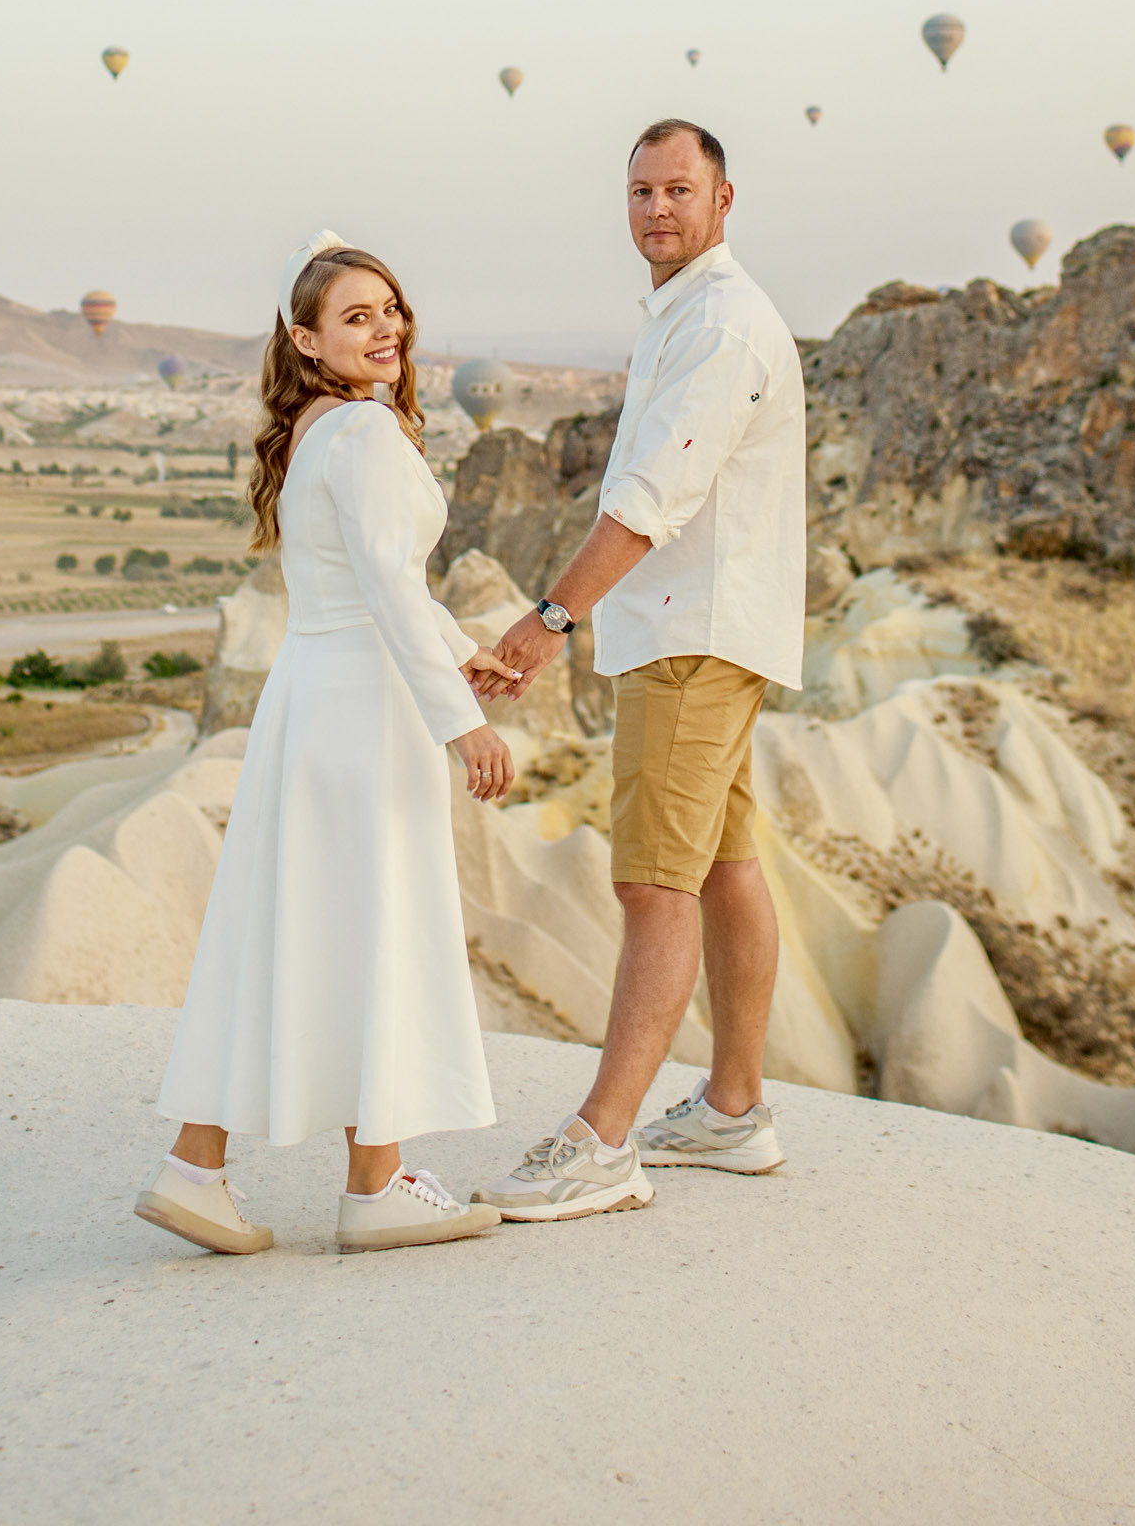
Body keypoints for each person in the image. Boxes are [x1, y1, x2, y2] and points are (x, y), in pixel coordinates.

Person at [137, 230, 517, 1257]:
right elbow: (388, 586)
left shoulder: (314, 428)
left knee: (289, 927)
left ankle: (195, 1167)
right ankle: (374, 1186)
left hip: (309, 697)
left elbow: (368, 582)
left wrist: (461, 651)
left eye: (390, 309)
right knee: (375, 928)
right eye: (356, 317)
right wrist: (463, 722)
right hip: (365, 711)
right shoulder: (367, 433)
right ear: (305, 340)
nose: (385, 328)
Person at [474, 121, 805, 1223]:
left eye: (678, 189)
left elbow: (650, 497)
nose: (656, 209)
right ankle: (733, 1109)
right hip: (702, 629)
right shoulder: (689, 312)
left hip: (687, 635)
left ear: (723, 199)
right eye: (640, 192)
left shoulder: (721, 326)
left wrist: (549, 619)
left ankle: (602, 1141)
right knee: (720, 866)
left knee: (652, 883)